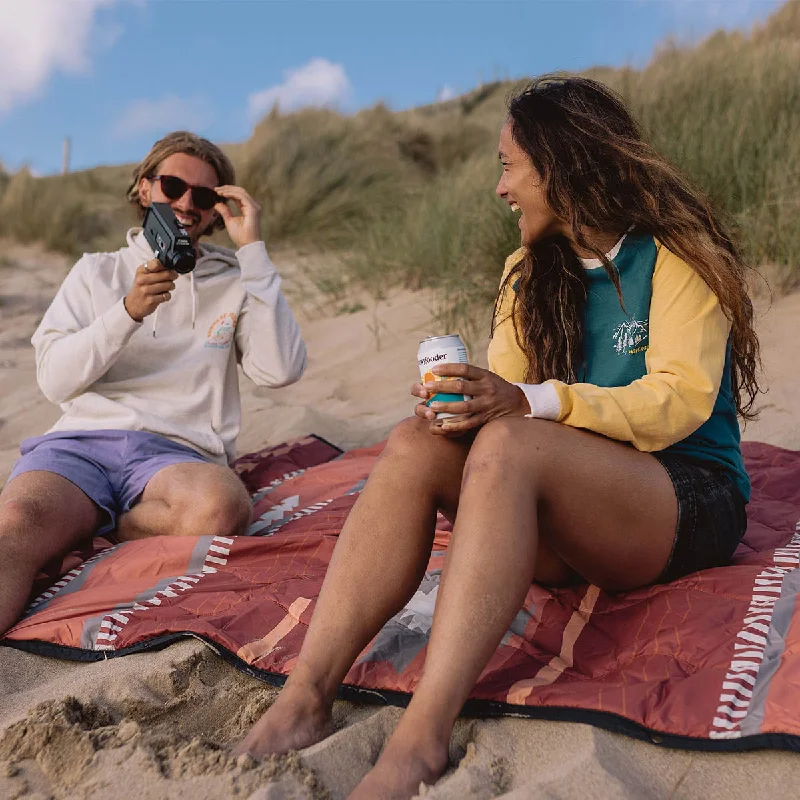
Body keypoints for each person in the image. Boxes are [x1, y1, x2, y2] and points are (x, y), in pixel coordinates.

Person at [235, 76, 761, 798]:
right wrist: (462, 407)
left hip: (680, 497)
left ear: (562, 166)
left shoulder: (675, 257)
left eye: (509, 165)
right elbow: (508, 403)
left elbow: (680, 401)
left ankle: (420, 739)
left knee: (514, 443)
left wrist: (530, 402)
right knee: (416, 443)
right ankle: (304, 698)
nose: (500, 188)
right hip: (568, 506)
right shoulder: (526, 272)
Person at [0, 131, 307, 636]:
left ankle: (109, 525)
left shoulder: (235, 280)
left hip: (178, 454)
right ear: (145, 189)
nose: (187, 203)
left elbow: (281, 370)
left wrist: (252, 250)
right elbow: (55, 380)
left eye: (205, 196)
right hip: (81, 444)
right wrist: (127, 313)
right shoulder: (95, 273)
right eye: (173, 185)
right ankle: (91, 520)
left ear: (215, 210)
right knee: (17, 522)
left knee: (222, 508)